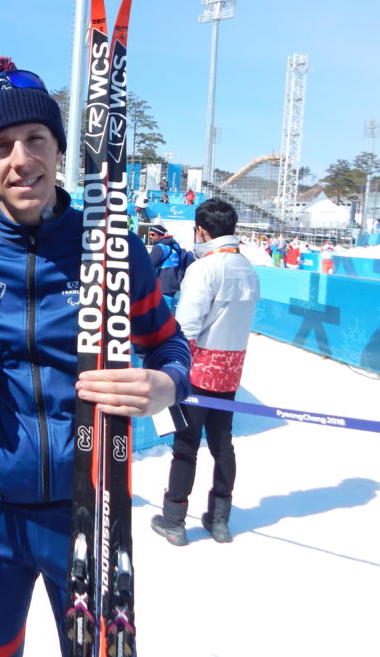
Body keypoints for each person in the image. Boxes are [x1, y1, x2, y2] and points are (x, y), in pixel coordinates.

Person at [0, 56, 192, 657]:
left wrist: (167, 386)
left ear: (58, 149)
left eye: (34, 140)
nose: (20, 159)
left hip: (93, 502)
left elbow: (171, 345)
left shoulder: (114, 245)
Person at [150, 198, 260, 546]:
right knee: (222, 444)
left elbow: (187, 325)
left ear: (201, 230)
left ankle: (174, 519)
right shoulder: (247, 267)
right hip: (229, 370)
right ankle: (220, 519)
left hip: (197, 370)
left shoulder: (204, 267)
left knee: (186, 444)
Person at [147, 223, 189, 308]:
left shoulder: (159, 247)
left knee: (164, 309)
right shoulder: (174, 245)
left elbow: (149, 265)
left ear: (159, 235)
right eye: (149, 234)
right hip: (175, 281)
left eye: (152, 234)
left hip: (163, 284)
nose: (150, 237)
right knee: (171, 306)